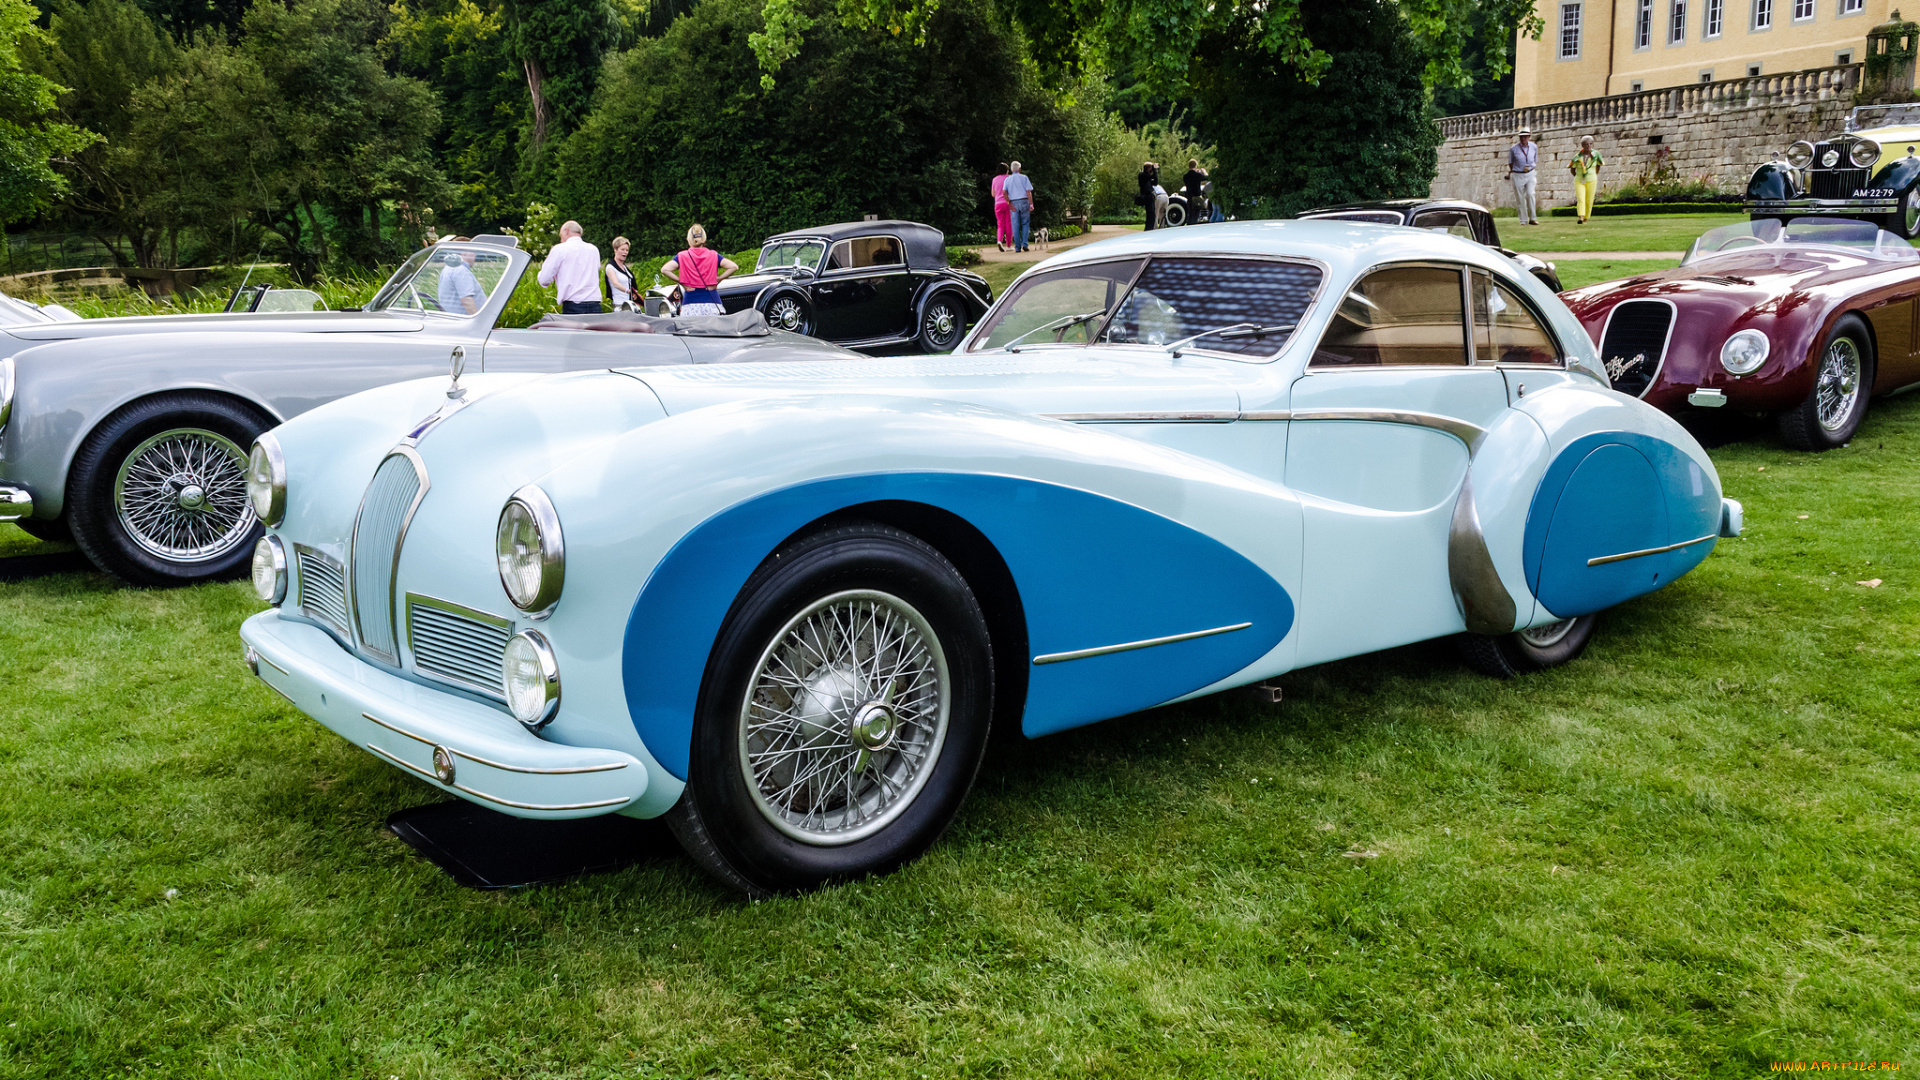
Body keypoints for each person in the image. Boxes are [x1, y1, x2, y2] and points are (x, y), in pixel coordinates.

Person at [661, 224, 737, 316]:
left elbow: (665, 269)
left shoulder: (682, 256)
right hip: (712, 302)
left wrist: (682, 282)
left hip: (690, 304)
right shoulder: (713, 255)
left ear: (689, 240)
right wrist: (719, 279)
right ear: (704, 239)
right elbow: (733, 267)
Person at [537, 220, 604, 313]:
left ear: (567, 231)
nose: (561, 240)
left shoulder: (560, 249)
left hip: (573, 306)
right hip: (595, 304)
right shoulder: (593, 249)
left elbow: (544, 279)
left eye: (561, 236)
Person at [435, 247, 484, 314]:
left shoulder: (451, 267)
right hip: (466, 321)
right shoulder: (460, 270)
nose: (475, 255)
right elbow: (467, 301)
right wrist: (479, 322)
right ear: (464, 253)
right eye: (473, 252)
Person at [1568, 136, 1603, 225]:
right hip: (1579, 180)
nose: (1589, 146)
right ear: (1582, 145)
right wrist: (1578, 177)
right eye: (1586, 144)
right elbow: (1572, 169)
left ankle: (1586, 218)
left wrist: (1593, 175)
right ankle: (1581, 217)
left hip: (1592, 180)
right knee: (1581, 198)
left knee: (1589, 200)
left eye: (1590, 144)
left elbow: (1598, 166)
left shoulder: (1596, 154)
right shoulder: (1577, 156)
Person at [1509, 128, 1540, 225]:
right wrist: (1516, 169)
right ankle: (1523, 220)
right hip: (1518, 174)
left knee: (1531, 194)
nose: (1523, 139)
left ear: (1529, 137)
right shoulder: (1513, 149)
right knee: (1520, 197)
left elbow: (1535, 160)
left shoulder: (1534, 147)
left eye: (1525, 137)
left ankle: (1533, 218)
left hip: (1530, 173)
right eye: (1521, 137)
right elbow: (1510, 162)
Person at [1003, 161, 1035, 252]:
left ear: (1012, 170)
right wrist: (1031, 204)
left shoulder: (1007, 180)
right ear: (1019, 169)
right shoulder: (1024, 178)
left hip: (1013, 202)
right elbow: (1028, 192)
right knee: (1025, 223)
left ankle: (1017, 247)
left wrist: (1009, 203)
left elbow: (1004, 192)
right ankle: (1025, 244)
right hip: (1024, 200)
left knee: (1015, 225)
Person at [605, 235, 640, 311]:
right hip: (620, 305)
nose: (625, 252)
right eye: (622, 249)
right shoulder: (610, 267)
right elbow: (616, 284)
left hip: (630, 304)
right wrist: (628, 291)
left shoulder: (625, 268)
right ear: (615, 250)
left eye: (627, 250)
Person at [991, 164, 1012, 252]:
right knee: (1008, 224)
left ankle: (999, 240)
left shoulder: (995, 179)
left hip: (998, 204)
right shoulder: (1009, 178)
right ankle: (1008, 245)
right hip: (1008, 203)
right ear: (1007, 170)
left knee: (1000, 224)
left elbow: (993, 194)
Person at [1137, 161, 1160, 231]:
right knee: (1151, 214)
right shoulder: (1142, 175)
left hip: (1150, 196)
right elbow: (1150, 177)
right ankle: (1148, 229)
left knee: (1152, 214)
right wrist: (1155, 169)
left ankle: (1149, 228)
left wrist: (1154, 171)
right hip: (1147, 197)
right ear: (1148, 168)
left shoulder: (1147, 177)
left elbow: (1155, 182)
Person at [1183, 158, 1208, 222]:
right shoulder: (1197, 175)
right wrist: (1204, 172)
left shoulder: (1185, 176)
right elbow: (1207, 177)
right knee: (1196, 214)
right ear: (1196, 166)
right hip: (1196, 197)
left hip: (1189, 197)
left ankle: (1189, 226)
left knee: (1190, 214)